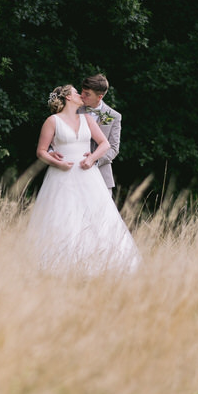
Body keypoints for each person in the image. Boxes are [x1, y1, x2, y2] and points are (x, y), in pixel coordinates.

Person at [27, 84, 140, 274]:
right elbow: (41, 151)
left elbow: (104, 144)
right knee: (63, 217)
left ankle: (100, 263)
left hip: (88, 175)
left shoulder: (87, 118)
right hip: (61, 176)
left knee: (96, 217)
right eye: (76, 92)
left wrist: (91, 158)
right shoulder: (52, 121)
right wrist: (58, 164)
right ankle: (58, 266)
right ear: (68, 98)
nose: (80, 95)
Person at [78, 74, 120, 197]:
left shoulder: (112, 116)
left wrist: (94, 160)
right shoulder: (73, 109)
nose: (82, 96)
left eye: (87, 94)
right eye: (82, 91)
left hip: (101, 175)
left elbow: (113, 148)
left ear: (99, 97)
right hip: (74, 171)